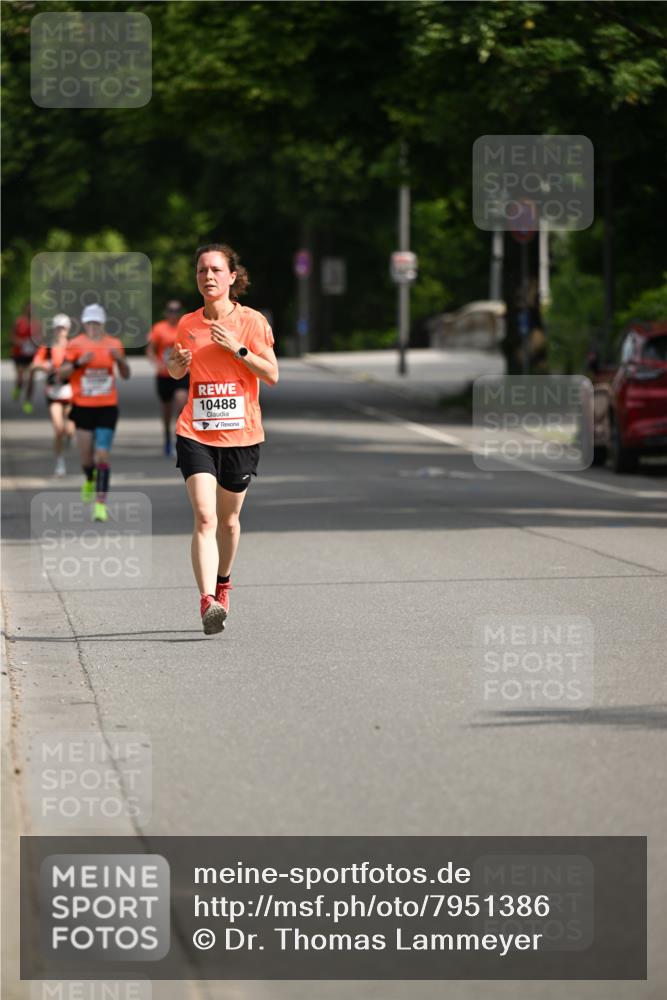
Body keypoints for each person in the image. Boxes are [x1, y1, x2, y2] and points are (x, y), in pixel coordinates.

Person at [167, 243, 278, 635]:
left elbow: (271, 374)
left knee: (229, 522)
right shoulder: (188, 324)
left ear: (233, 277)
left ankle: (223, 583)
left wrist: (239, 348)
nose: (208, 277)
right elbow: (176, 368)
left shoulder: (251, 322)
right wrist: (174, 365)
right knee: (205, 516)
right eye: (201, 271)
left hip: (241, 436)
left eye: (215, 270)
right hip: (195, 431)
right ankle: (206, 601)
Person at [60, 303, 130, 521]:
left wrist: (119, 359)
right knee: (86, 458)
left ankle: (100, 504)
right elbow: (61, 373)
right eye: (89, 323)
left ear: (102, 323)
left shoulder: (114, 343)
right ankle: (89, 479)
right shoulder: (75, 344)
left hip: (107, 407)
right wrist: (79, 363)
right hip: (82, 407)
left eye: (96, 323)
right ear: (84, 323)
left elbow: (126, 374)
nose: (93, 327)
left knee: (102, 455)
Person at [27, 313, 75, 477]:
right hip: (53, 392)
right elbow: (33, 365)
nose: (61, 331)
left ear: (68, 329)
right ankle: (60, 463)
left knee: (69, 429)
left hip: (71, 391)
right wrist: (42, 366)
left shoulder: (74, 347)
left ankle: (70, 436)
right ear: (54, 330)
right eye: (58, 328)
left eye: (63, 328)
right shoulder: (46, 348)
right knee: (58, 429)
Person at [146, 299, 188, 456]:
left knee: (181, 403)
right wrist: (156, 364)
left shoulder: (185, 327)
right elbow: (150, 350)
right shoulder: (159, 328)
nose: (173, 313)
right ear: (166, 312)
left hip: (182, 374)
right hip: (164, 375)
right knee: (166, 412)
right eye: (170, 310)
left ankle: (181, 439)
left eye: (177, 310)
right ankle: (167, 440)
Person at [11, 302, 41, 412]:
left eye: (32, 309)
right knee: (20, 379)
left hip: (32, 355)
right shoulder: (18, 322)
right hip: (19, 354)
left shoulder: (37, 323)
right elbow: (12, 337)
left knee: (31, 379)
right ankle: (18, 388)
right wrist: (22, 343)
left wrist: (36, 343)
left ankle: (27, 401)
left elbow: (40, 338)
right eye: (28, 309)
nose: (30, 311)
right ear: (24, 310)